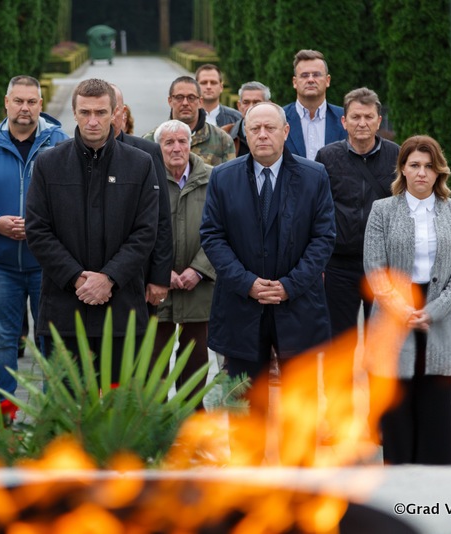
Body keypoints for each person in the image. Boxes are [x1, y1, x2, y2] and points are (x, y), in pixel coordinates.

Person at [200, 102, 335, 463]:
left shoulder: (314, 176)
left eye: (270, 128)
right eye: (254, 128)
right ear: (244, 134)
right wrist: (247, 282)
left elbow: (324, 238)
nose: (262, 135)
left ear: (285, 132)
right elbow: (212, 236)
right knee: (245, 408)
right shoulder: (223, 177)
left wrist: (290, 285)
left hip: (299, 307)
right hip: (241, 307)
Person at [26, 78, 158, 380]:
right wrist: (77, 278)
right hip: (65, 309)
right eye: (85, 112)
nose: (93, 121)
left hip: (122, 309)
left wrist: (109, 278)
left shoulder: (140, 164)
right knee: (68, 403)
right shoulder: (48, 164)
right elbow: (37, 230)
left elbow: (146, 231)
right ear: (73, 113)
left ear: (116, 113)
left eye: (101, 112)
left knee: (122, 401)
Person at [363, 135, 451, 465]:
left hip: (439, 314)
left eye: (429, 166)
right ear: (403, 169)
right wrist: (401, 309)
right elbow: (374, 267)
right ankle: (400, 480)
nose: (422, 172)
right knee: (396, 407)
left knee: (435, 407)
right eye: (414, 165)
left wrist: (433, 310)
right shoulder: (382, 210)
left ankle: (435, 483)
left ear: (439, 171)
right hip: (393, 316)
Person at [0, 75, 69, 396]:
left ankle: (54, 414)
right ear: (6, 103)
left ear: (41, 104)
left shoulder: (60, 142)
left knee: (53, 339)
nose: (25, 107)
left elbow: (75, 197)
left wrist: (40, 226)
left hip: (49, 265)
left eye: (32, 102)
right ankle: (4, 412)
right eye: (18, 101)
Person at [314, 88, 399, 441]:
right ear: (343, 121)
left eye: (368, 117)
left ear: (379, 121)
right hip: (338, 265)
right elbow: (317, 210)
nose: (362, 123)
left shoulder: (396, 155)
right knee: (340, 348)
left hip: (384, 269)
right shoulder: (327, 157)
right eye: (355, 117)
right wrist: (317, 262)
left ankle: (382, 421)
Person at [153, 119, 215, 406]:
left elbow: (224, 229)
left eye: (182, 141)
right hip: (157, 285)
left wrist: (199, 270)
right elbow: (137, 229)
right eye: (169, 142)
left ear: (191, 144)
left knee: (196, 354)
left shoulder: (213, 178)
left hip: (199, 286)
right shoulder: (148, 178)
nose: (176, 148)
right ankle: (155, 417)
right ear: (159, 147)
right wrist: (159, 270)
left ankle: (191, 416)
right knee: (154, 356)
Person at [111, 83, 173, 314]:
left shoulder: (148, 152)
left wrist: (159, 278)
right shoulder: (70, 153)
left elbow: (162, 218)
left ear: (123, 112)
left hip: (139, 276)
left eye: (112, 109)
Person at [143, 76, 236, 167]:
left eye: (191, 97)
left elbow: (229, 175)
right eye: (179, 97)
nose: (185, 103)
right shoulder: (150, 140)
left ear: (200, 102)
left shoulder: (223, 140)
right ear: (170, 101)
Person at [282, 50, 347, 160]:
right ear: (295, 82)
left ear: (327, 80)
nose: (310, 80)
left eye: (316, 75)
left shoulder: (346, 118)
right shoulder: (279, 119)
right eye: (304, 75)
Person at [222, 81, 271, 157]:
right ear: (239, 106)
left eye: (256, 102)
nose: (250, 107)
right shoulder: (223, 134)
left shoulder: (279, 135)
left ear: (268, 105)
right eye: (246, 102)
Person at [195, 64, 240, 128]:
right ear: (196, 87)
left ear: (221, 87)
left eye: (213, 83)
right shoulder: (186, 118)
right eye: (204, 83)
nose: (208, 87)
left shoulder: (236, 119)